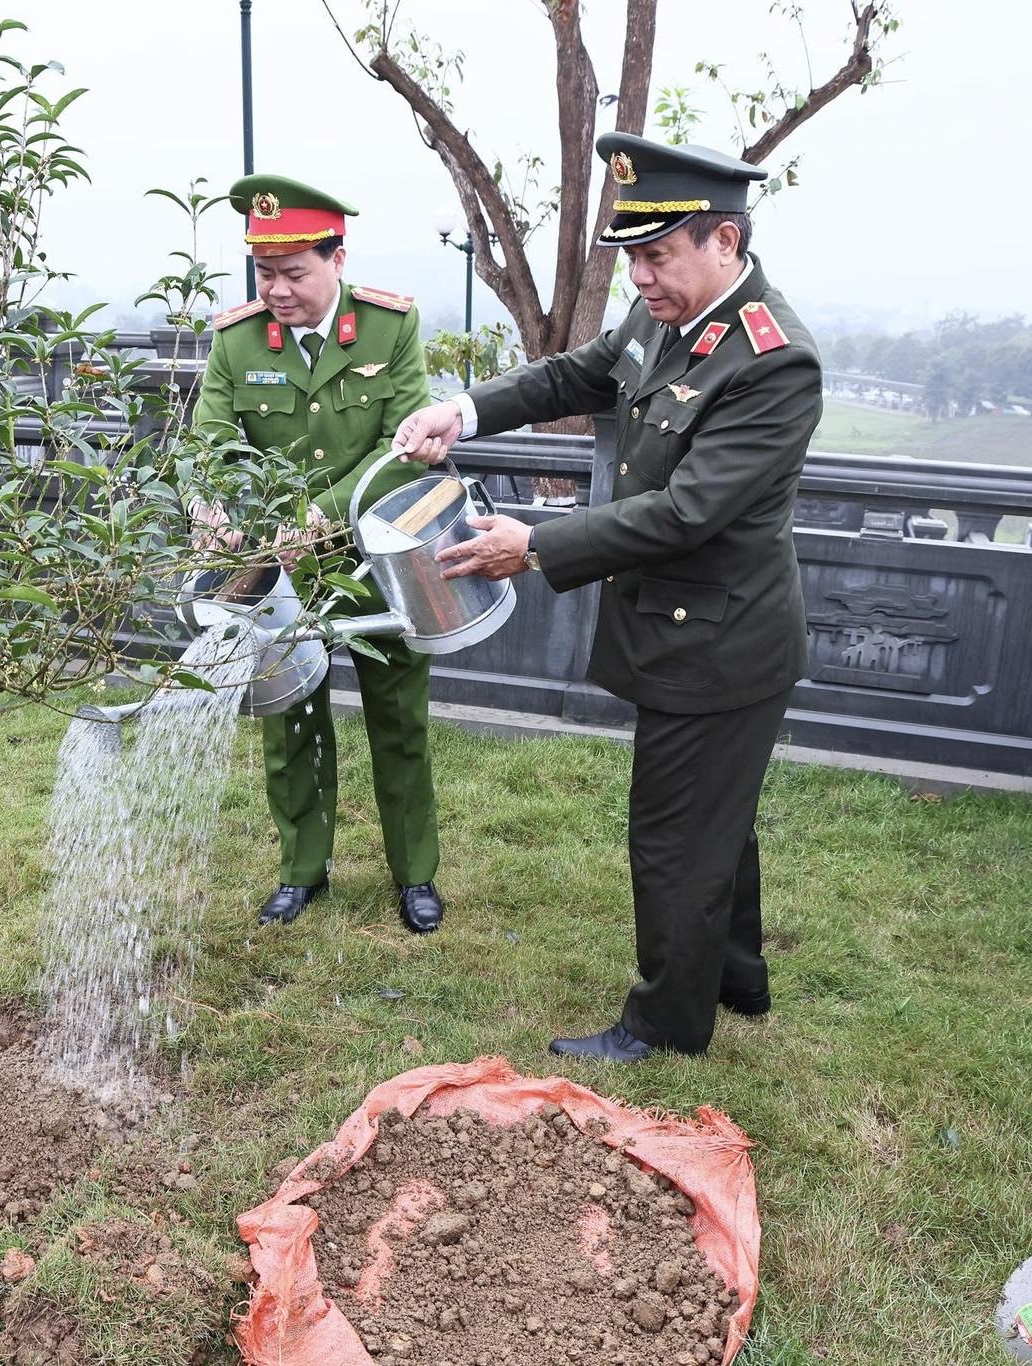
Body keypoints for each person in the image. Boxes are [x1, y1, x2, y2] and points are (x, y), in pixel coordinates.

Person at [393, 135, 822, 1060]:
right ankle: (737, 981)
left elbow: (688, 511)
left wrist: (538, 546)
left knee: (675, 838)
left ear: (726, 243)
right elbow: (573, 375)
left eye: (658, 256)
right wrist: (460, 411)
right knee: (719, 823)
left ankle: (664, 1026)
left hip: (721, 645)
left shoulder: (772, 363)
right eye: (633, 258)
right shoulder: (667, 316)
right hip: (686, 629)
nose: (641, 278)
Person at [192, 174, 446, 934]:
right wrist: (211, 504)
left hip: (375, 560)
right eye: (265, 273)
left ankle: (415, 875)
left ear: (337, 259)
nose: (277, 290)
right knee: (288, 717)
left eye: (295, 273)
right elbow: (210, 442)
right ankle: (303, 868)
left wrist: (320, 515)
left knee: (398, 716)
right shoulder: (235, 340)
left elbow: (404, 451)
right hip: (277, 569)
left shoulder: (388, 327)